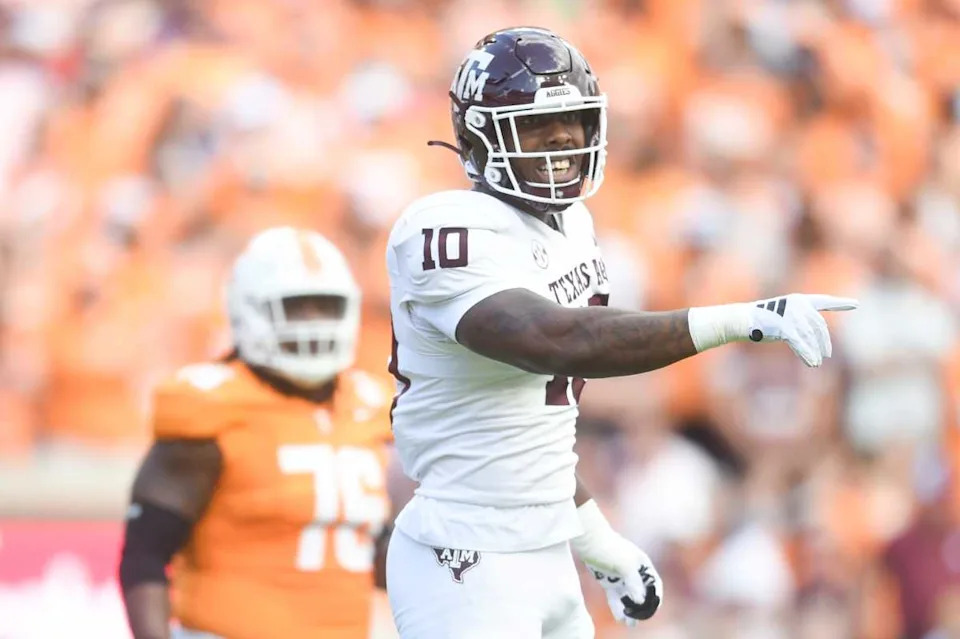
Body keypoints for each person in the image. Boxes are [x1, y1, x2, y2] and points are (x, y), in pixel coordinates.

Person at [385, 26, 858, 638]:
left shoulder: (572, 226)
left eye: (571, 125)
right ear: (478, 137)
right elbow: (552, 340)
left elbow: (532, 434)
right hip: (463, 554)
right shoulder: (442, 230)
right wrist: (739, 319)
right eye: (534, 128)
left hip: (543, 547)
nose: (559, 143)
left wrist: (599, 541)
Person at [119, 227, 396, 639]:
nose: (314, 322)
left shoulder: (370, 404)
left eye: (325, 306)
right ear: (249, 310)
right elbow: (144, 555)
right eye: (298, 308)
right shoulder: (210, 405)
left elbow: (379, 551)